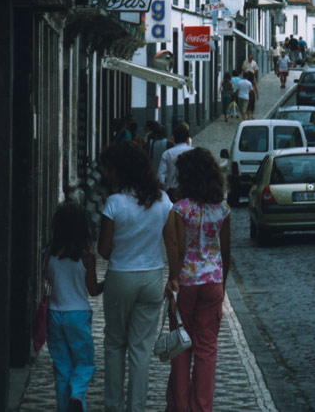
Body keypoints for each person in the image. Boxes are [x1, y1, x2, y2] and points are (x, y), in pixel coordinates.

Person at [98, 142, 180, 412]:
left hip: (121, 277)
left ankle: (113, 406)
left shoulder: (114, 204)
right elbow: (172, 245)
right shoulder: (163, 200)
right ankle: (137, 407)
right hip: (151, 279)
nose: (107, 175)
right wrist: (173, 278)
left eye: (110, 170)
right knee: (140, 350)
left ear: (122, 171)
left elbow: (104, 250)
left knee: (114, 343)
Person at [166, 147, 230, 412]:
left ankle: (179, 407)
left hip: (186, 283)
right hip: (212, 282)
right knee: (207, 351)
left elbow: (178, 252)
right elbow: (226, 253)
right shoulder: (223, 210)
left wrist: (172, 282)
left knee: (181, 347)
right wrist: (221, 286)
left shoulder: (180, 210)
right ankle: (202, 407)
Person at [45, 202, 103, 412]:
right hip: (78, 315)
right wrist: (109, 282)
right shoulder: (86, 258)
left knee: (62, 369)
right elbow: (94, 290)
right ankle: (77, 395)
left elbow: (47, 278)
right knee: (84, 362)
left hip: (54, 314)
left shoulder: (50, 254)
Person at [159, 123, 193, 196]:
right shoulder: (194, 152)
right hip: (190, 190)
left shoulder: (167, 154)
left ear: (173, 138)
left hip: (173, 191)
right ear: (187, 139)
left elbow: (160, 175)